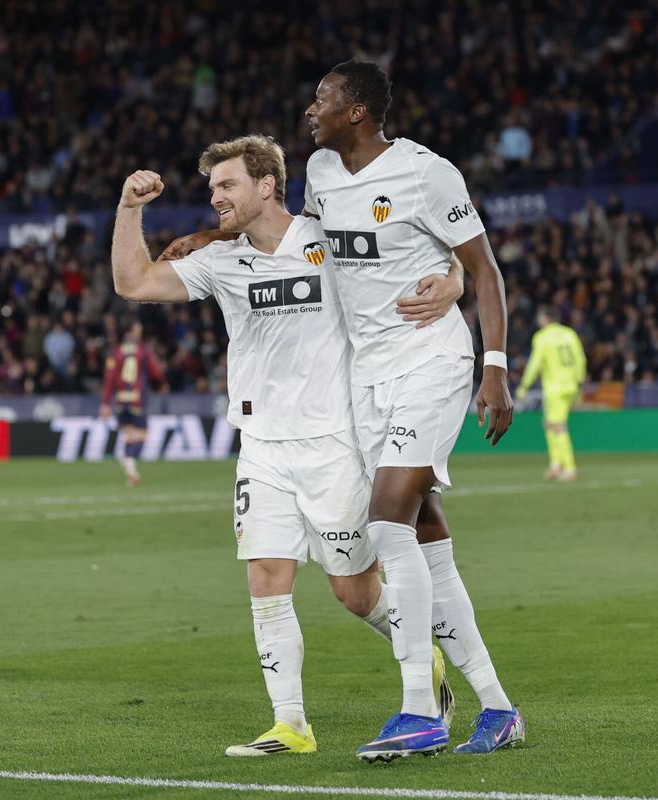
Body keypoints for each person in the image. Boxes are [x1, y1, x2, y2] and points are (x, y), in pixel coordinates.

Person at [163, 60, 524, 761]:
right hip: (368, 376)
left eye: (322, 98)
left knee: (387, 521)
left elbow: (483, 267)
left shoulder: (427, 173)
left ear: (356, 110)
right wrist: (211, 238)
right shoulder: (323, 172)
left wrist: (494, 366)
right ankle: (498, 707)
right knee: (425, 537)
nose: (311, 109)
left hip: (430, 357)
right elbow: (301, 240)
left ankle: (419, 710)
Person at [110, 134, 459, 758]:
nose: (215, 197)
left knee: (354, 592)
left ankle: (421, 655)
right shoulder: (220, 262)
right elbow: (133, 283)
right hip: (262, 446)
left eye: (227, 185)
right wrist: (129, 208)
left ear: (267, 185)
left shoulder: (329, 239)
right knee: (266, 577)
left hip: (336, 443)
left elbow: (422, 247)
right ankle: (291, 725)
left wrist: (455, 279)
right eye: (212, 187)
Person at [516, 306, 586, 480]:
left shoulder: (542, 336)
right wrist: (579, 383)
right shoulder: (569, 333)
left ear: (546, 318)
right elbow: (580, 359)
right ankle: (555, 464)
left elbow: (535, 363)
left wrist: (524, 386)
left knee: (557, 425)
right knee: (548, 423)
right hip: (571, 385)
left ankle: (569, 468)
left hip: (555, 386)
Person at [100, 321, 164, 486]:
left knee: (129, 434)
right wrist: (161, 379)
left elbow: (109, 379)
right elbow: (156, 373)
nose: (140, 333)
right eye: (138, 330)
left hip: (121, 400)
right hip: (137, 399)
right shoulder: (144, 350)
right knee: (142, 434)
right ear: (131, 332)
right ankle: (129, 460)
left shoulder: (115, 352)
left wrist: (105, 403)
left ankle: (130, 471)